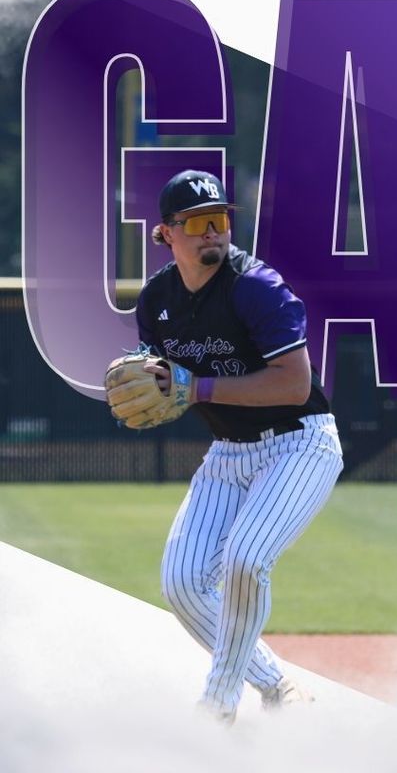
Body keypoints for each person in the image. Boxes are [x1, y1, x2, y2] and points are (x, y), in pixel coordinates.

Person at [132, 169, 343, 724]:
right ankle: (277, 685)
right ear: (167, 234)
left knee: (247, 559)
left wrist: (194, 388)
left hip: (299, 445)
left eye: (220, 220)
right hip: (228, 454)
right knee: (181, 584)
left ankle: (218, 705)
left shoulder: (257, 287)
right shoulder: (156, 300)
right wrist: (149, 389)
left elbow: (293, 385)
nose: (212, 234)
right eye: (198, 223)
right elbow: (160, 379)